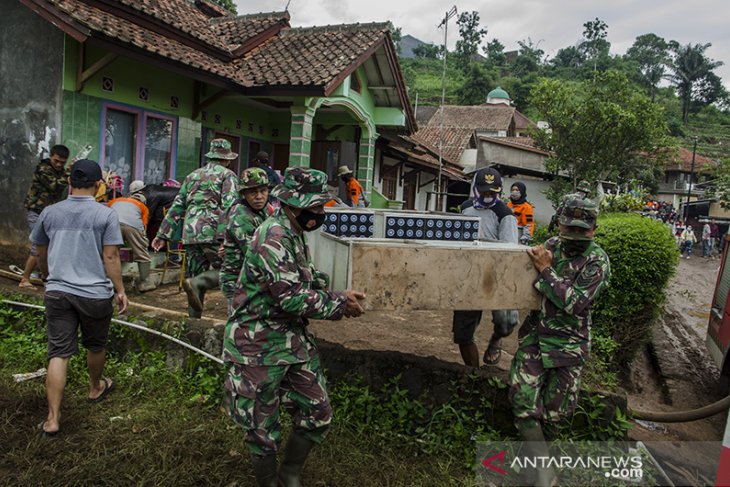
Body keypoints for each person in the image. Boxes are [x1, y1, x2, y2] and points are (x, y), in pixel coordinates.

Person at [223, 167, 366, 487]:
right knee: (261, 427)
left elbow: (306, 278)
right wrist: (339, 305)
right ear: (292, 204)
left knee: (318, 411)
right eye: (313, 208)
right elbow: (292, 299)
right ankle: (270, 480)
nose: (318, 213)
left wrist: (339, 293)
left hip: (291, 340)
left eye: (320, 207)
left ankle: (290, 473)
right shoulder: (272, 236)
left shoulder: (292, 232)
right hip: (257, 344)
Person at [509, 195, 610, 486]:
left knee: (556, 414)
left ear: (594, 229)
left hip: (569, 346)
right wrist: (547, 277)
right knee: (522, 402)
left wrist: (545, 273)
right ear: (559, 224)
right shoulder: (551, 246)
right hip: (536, 339)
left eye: (583, 230)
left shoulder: (597, 261)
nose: (575, 235)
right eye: (570, 228)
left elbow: (574, 303)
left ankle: (537, 468)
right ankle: (544, 474)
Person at [30, 158, 128, 437]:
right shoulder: (105, 214)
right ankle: (95, 387)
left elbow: (40, 250)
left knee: (59, 353)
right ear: (98, 185)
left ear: (70, 182)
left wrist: (48, 276)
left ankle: (52, 419)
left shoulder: (50, 212)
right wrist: (120, 290)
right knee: (95, 345)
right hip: (95, 295)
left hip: (58, 292)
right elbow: (110, 256)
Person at [152, 139, 239, 318]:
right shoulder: (227, 175)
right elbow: (229, 207)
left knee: (194, 277)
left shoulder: (192, 176)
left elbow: (177, 206)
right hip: (212, 232)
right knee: (232, 271)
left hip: (190, 233)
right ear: (227, 159)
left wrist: (162, 234)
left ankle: (193, 320)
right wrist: (226, 238)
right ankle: (235, 319)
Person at [453, 167, 520, 367]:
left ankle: (496, 338)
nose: (488, 196)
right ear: (476, 189)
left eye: (493, 192)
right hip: (470, 273)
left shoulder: (505, 214)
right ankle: (473, 373)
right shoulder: (465, 208)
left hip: (496, 274)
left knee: (506, 322)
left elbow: (509, 251)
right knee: (463, 333)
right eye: (484, 192)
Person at [219, 168, 273, 314]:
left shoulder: (266, 209)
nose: (259, 197)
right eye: (253, 192)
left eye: (263, 191)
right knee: (240, 329)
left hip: (254, 279)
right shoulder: (240, 215)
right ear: (243, 194)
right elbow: (255, 254)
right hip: (237, 282)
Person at [19, 145, 70, 289]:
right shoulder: (43, 169)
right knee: (39, 246)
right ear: (51, 157)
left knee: (49, 245)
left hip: (48, 213)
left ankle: (44, 276)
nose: (59, 164)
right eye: (56, 161)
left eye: (62, 162)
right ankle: (25, 279)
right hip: (36, 211)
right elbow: (55, 186)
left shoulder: (58, 171)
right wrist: (68, 173)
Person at [108, 181, 157, 292]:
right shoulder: (143, 207)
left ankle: (109, 282)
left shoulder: (114, 201)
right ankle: (145, 282)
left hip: (112, 223)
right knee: (142, 253)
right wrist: (142, 243)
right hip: (133, 225)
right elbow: (143, 227)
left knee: (110, 253)